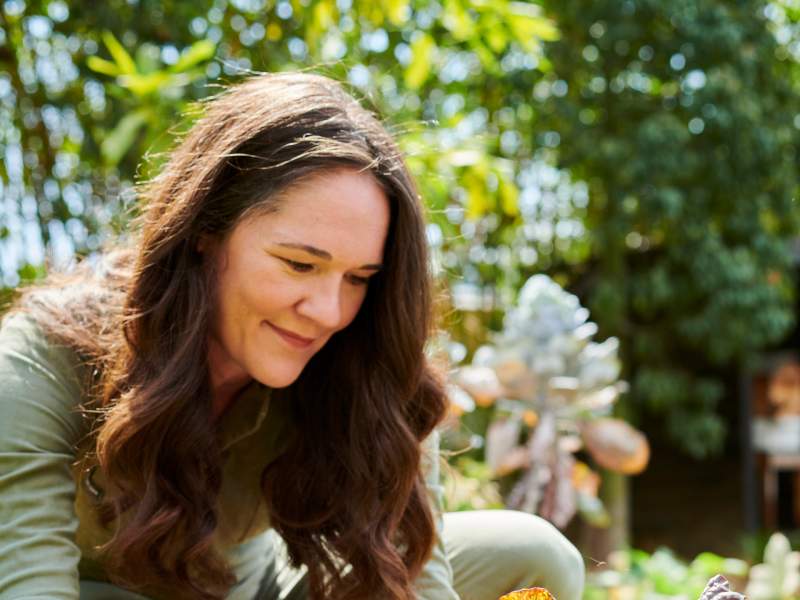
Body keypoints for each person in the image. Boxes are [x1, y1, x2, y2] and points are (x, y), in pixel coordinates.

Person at [0, 72, 585, 600]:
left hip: (258, 591)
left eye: (359, 278)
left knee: (535, 557)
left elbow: (417, 580)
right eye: (300, 264)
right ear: (205, 231)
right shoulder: (46, 353)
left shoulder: (367, 360)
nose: (328, 313)